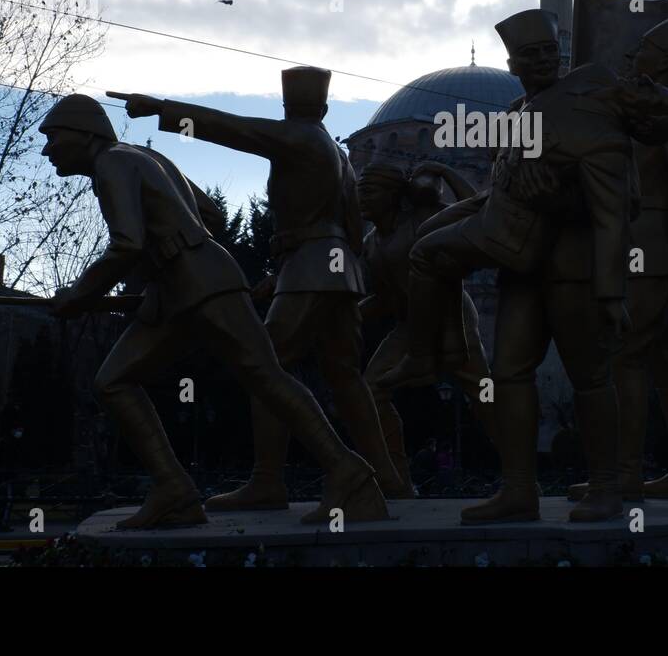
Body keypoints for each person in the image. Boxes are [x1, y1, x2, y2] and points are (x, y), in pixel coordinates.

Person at [378, 8, 668, 523]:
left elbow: (617, 209)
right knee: (509, 372)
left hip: (572, 271)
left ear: (560, 57)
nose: (539, 61)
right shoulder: (520, 112)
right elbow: (502, 197)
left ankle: (607, 486)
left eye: (547, 53)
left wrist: (611, 293)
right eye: (529, 54)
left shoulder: (591, 114)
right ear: (514, 62)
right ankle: (519, 489)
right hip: (520, 267)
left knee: (589, 376)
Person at [39, 93, 386, 528]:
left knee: (265, 373)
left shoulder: (110, 164)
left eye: (52, 137)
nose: (47, 149)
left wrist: (79, 293)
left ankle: (349, 477)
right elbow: (209, 214)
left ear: (83, 132)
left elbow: (126, 242)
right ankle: (175, 492)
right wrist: (163, 267)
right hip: (184, 286)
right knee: (117, 380)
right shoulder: (145, 157)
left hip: (200, 285)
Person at [113, 69, 406, 507]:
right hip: (334, 271)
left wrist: (162, 108)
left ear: (288, 110)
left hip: (311, 267)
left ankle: (270, 481)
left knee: (265, 369)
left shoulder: (302, 138)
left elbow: (234, 128)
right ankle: (388, 478)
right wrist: (289, 272)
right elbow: (349, 228)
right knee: (345, 376)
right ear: (324, 108)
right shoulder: (337, 155)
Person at [567, 18, 668, 503]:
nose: (634, 52)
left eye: (647, 46)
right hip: (648, 250)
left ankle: (625, 474)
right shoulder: (641, 108)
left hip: (650, 252)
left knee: (625, 355)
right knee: (666, 361)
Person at [356, 160, 498, 494]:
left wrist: (446, 172)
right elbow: (386, 298)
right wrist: (350, 315)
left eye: (370, 191)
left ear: (394, 195)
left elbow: (479, 210)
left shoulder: (423, 219)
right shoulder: (372, 243)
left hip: (451, 316)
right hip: (409, 326)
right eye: (359, 191)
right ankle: (397, 480)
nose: (361, 199)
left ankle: (522, 478)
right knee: (370, 390)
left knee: (484, 393)